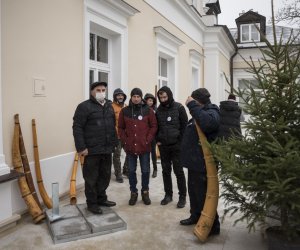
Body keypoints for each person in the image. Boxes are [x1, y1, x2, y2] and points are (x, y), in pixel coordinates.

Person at [179, 88, 220, 236]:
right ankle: (195, 216)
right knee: (194, 192)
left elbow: (208, 124)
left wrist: (192, 105)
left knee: (204, 195)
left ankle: (212, 225)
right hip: (194, 162)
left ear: (199, 101)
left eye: (194, 102)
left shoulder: (212, 111)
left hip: (205, 164)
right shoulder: (200, 112)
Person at [72, 81, 117, 214]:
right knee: (91, 178)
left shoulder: (109, 105)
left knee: (105, 175)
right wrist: (81, 147)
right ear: (92, 91)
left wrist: (114, 143)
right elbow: (77, 128)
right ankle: (92, 203)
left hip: (107, 148)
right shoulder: (84, 107)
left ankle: (101, 198)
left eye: (103, 90)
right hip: (91, 150)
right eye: (98, 90)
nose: (101, 92)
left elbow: (112, 125)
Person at [118, 88, 157, 206]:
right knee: (131, 171)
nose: (136, 98)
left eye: (138, 96)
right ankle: (133, 193)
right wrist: (126, 141)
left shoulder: (148, 111)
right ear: (131, 97)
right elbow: (120, 128)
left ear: (141, 98)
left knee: (145, 171)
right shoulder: (124, 111)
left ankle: (145, 192)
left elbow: (154, 126)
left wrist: (148, 139)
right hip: (130, 148)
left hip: (144, 147)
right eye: (134, 96)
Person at [156, 86, 188, 208]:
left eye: (165, 97)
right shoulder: (158, 110)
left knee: (178, 171)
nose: (163, 100)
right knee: (165, 171)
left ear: (169, 95)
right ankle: (168, 195)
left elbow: (185, 127)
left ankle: (182, 197)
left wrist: (180, 142)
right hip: (163, 146)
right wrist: (157, 140)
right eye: (161, 97)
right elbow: (156, 127)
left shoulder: (179, 108)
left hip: (176, 146)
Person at [112, 88, 129, 183]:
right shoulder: (111, 107)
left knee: (130, 153)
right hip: (116, 136)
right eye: (118, 95)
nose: (120, 97)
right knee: (117, 155)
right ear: (115, 97)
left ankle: (126, 170)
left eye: (122, 95)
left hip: (126, 136)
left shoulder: (126, 107)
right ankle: (118, 174)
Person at [144, 93, 158, 178]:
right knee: (146, 153)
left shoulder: (156, 109)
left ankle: (155, 169)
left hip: (153, 134)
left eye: (152, 100)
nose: (150, 102)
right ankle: (147, 169)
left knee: (153, 152)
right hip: (145, 134)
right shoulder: (143, 109)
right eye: (149, 100)